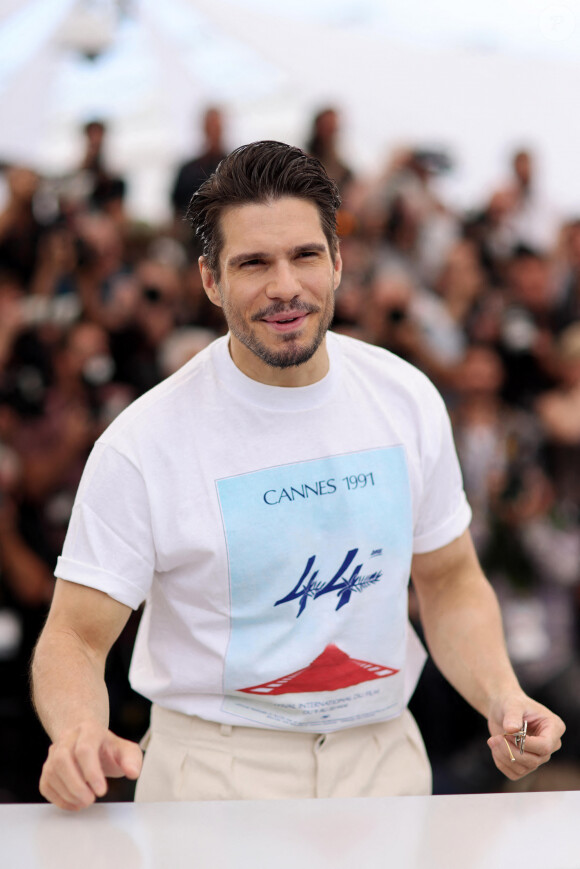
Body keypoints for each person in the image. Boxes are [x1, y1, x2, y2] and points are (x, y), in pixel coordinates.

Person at [31, 141, 565, 811]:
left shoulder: (405, 398)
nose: (285, 285)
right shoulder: (145, 441)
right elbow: (75, 634)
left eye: (304, 255)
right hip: (215, 776)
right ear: (210, 281)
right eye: (253, 262)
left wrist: (503, 696)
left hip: (384, 763)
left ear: (338, 262)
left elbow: (450, 579)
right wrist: (77, 731)